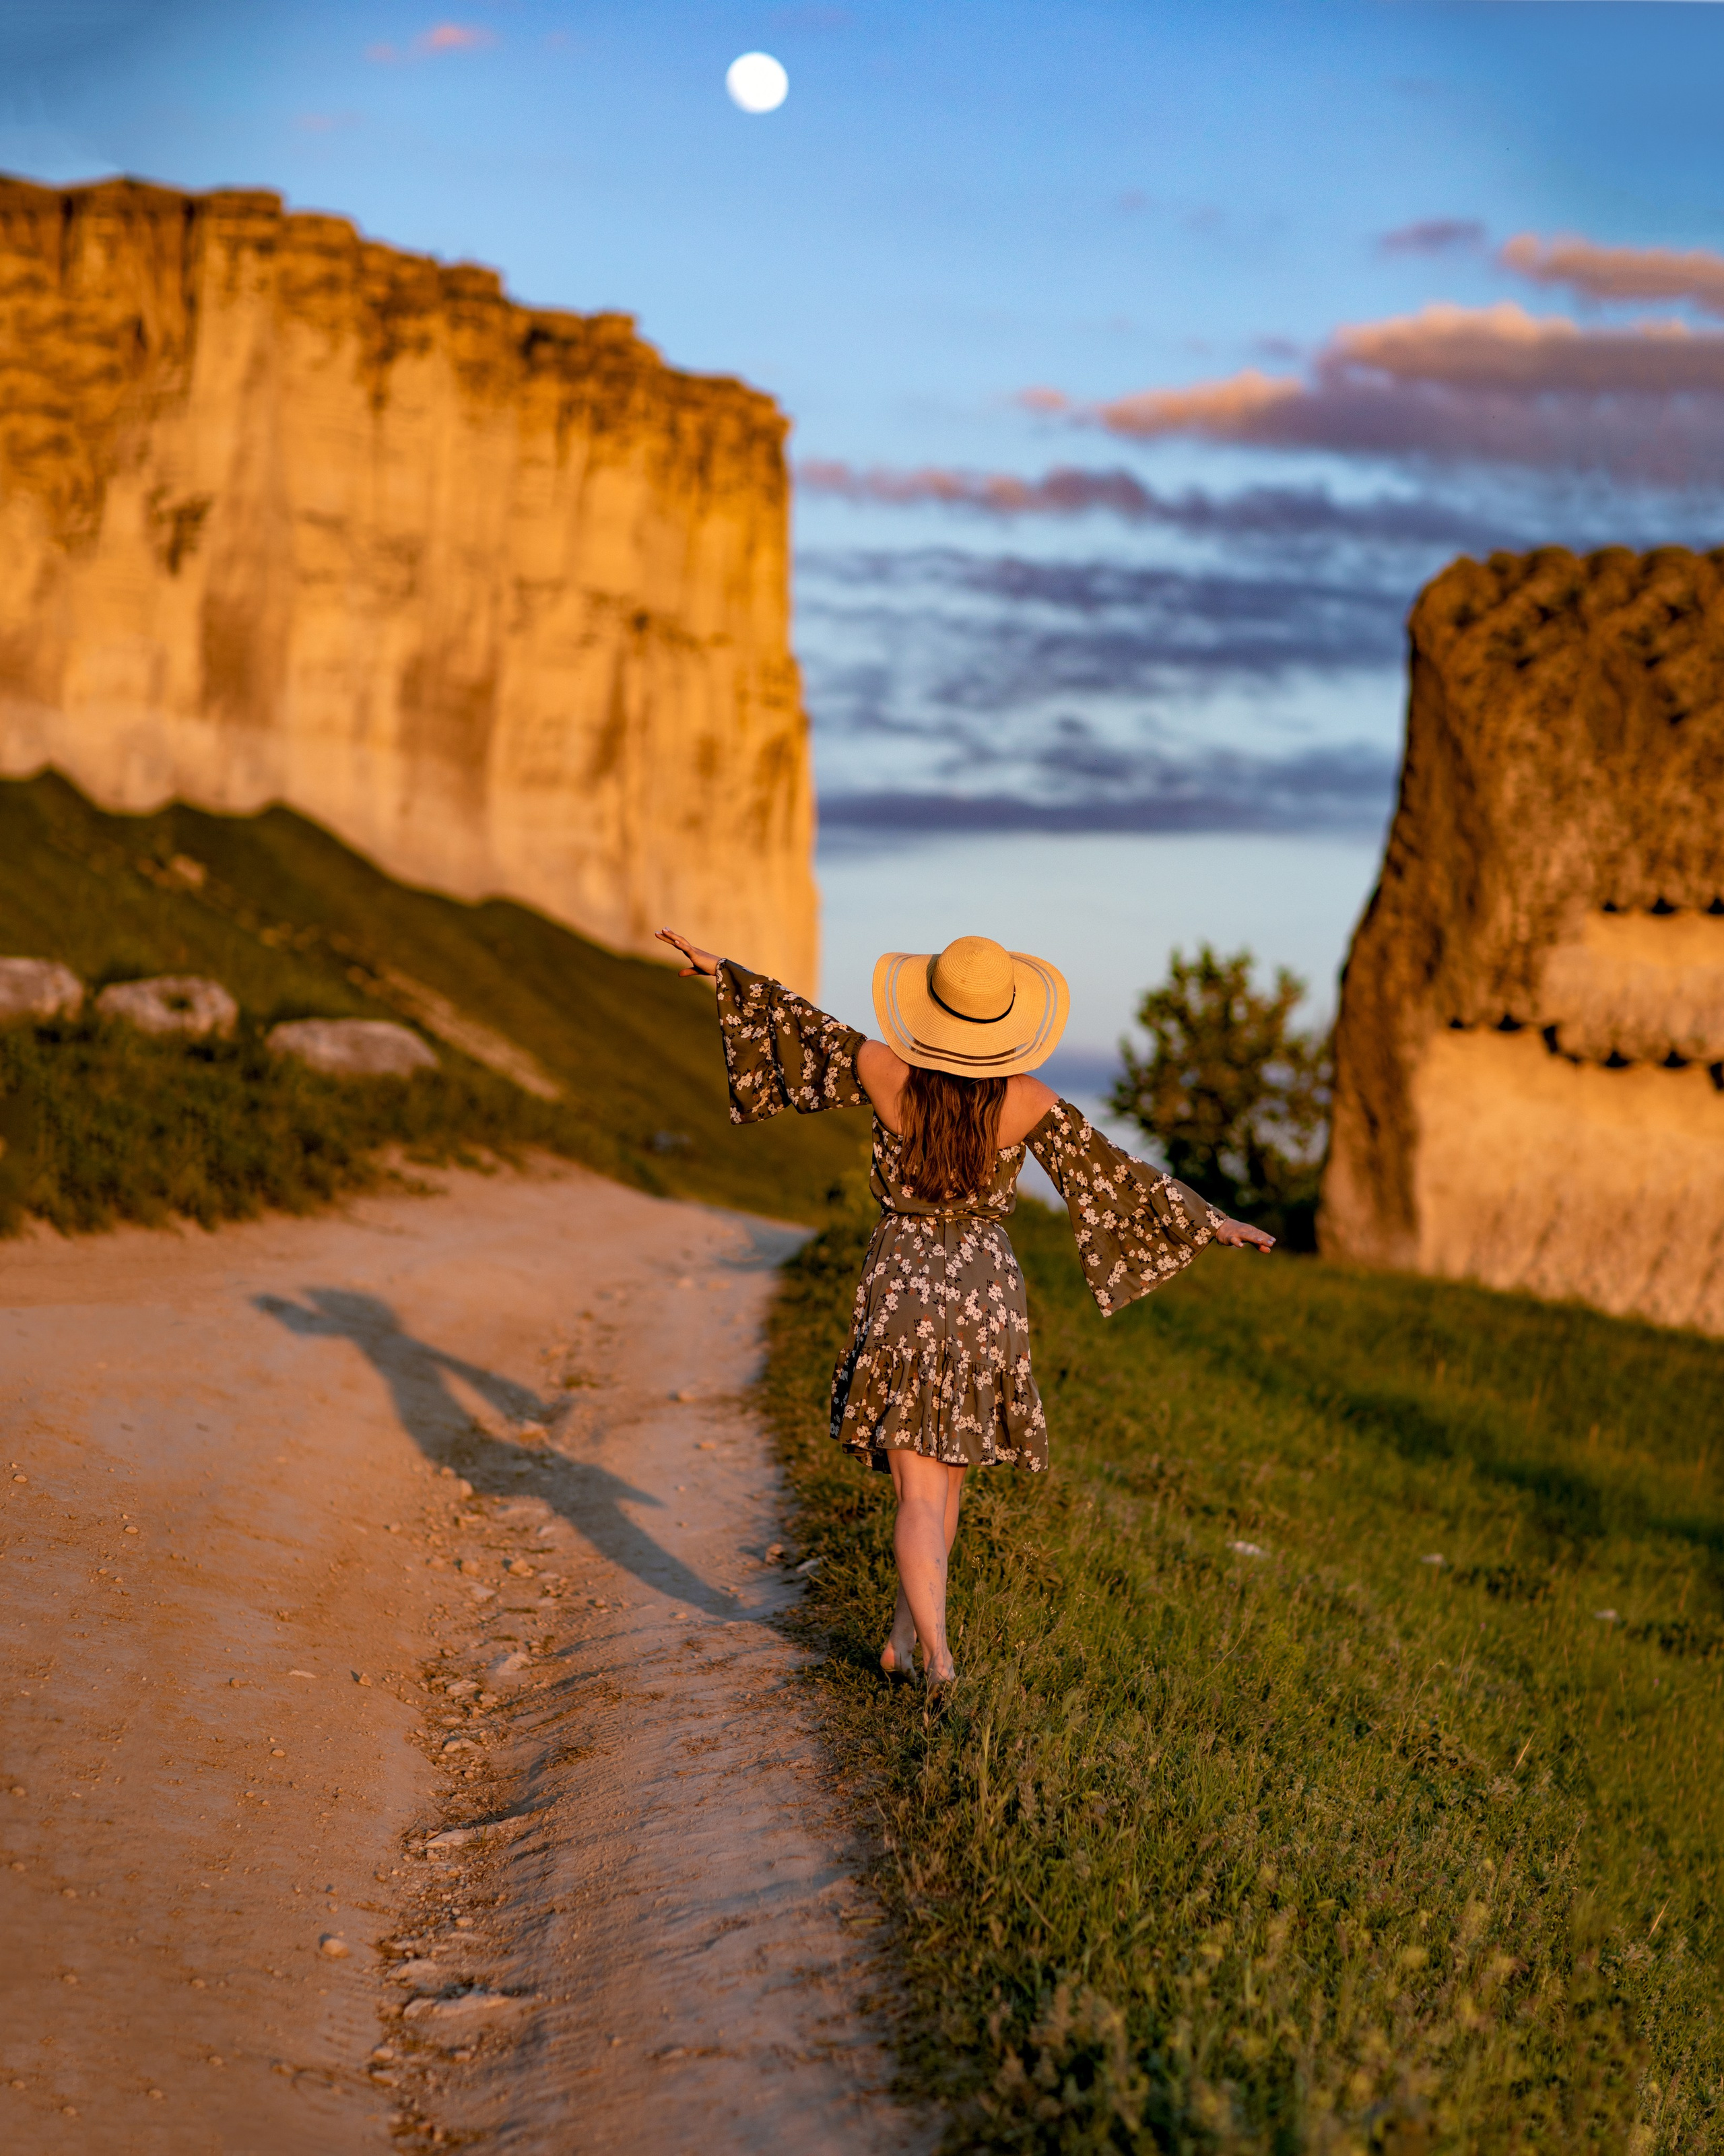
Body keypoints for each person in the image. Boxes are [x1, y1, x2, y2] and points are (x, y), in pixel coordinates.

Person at [656, 927, 1273, 1689]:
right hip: (985, 1286)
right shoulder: (1030, 1101)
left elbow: (795, 1023)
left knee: (918, 1489)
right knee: (945, 1483)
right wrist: (1215, 1223)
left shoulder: (882, 1068)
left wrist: (721, 971)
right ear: (1007, 1018)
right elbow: (1118, 1177)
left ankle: (930, 1654)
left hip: (905, 1274)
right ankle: (911, 1649)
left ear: (933, 1009)